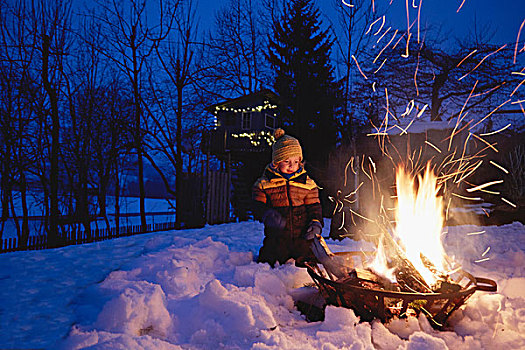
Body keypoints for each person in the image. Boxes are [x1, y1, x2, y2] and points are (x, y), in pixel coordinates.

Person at [252, 128, 323, 267]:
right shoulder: (264, 183)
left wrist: (316, 223)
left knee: (308, 261)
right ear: (276, 162)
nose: (292, 166)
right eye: (287, 161)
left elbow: (315, 207)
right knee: (269, 259)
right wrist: (267, 214)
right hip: (277, 237)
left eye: (296, 161)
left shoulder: (307, 184)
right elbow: (257, 205)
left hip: (302, 237)